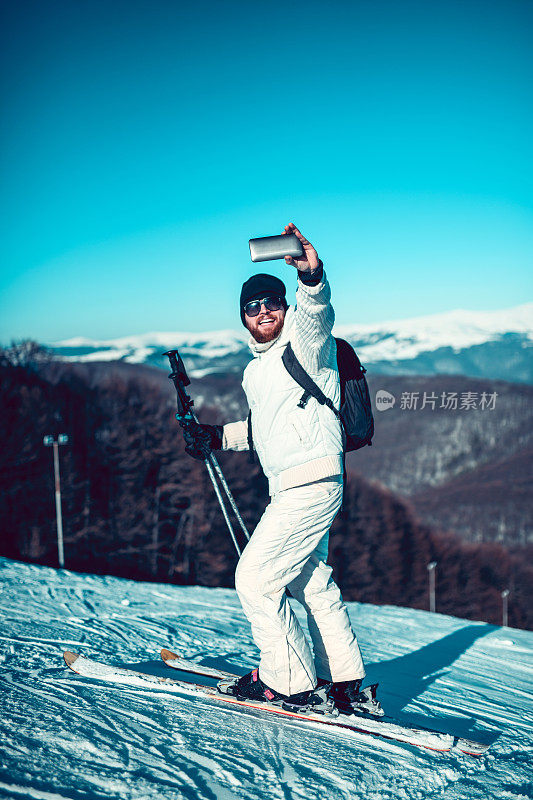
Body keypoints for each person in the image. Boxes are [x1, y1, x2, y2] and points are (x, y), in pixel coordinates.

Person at [182, 222, 366, 714]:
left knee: (256, 580)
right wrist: (216, 437)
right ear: (243, 318)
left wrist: (312, 277)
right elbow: (264, 429)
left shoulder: (304, 346)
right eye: (252, 306)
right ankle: (346, 682)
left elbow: (316, 314)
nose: (263, 311)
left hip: (312, 482)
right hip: (294, 486)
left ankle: (288, 680)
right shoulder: (255, 370)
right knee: (311, 580)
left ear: (284, 308)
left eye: (271, 302)